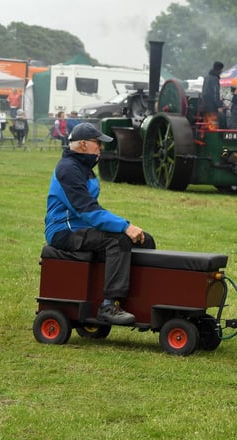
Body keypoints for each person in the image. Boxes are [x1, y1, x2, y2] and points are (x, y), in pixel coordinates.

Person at [44, 122, 156, 325]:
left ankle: (141, 301)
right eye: (98, 144)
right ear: (84, 145)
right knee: (118, 241)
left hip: (83, 227)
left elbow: (92, 210)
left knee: (144, 240)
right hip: (64, 231)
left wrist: (127, 228)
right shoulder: (68, 170)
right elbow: (87, 211)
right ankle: (108, 306)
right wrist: (125, 226)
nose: (101, 148)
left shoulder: (84, 168)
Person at [201, 61, 224, 129]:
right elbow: (215, 93)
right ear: (219, 69)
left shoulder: (207, 78)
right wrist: (219, 105)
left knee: (206, 123)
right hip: (212, 107)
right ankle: (213, 137)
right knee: (213, 124)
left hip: (205, 105)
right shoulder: (215, 79)